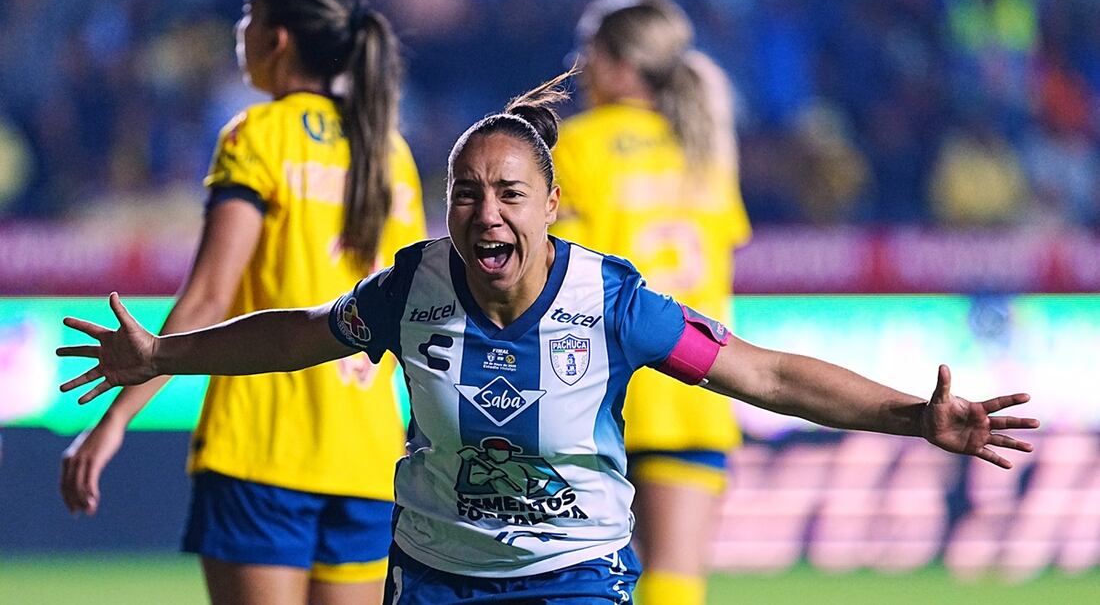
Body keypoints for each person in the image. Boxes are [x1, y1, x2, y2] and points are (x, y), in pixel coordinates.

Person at [57, 70, 1038, 605]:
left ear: (551, 208)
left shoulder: (612, 302)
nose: (484, 214)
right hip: (432, 580)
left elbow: (764, 372)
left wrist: (911, 416)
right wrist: (162, 358)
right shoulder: (413, 285)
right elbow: (300, 335)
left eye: (508, 194)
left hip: (573, 580)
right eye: (466, 195)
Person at [58, 0, 426, 605]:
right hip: (367, 458)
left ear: (278, 39)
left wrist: (116, 419)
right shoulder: (390, 152)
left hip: (262, 450)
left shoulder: (257, 135)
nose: (240, 31)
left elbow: (207, 296)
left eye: (248, 16)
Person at [550, 0, 752, 605]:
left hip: (601, 383)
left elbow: (559, 269)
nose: (580, 67)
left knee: (577, 575)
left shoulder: (579, 145)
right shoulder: (706, 150)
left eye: (589, 52)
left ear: (621, 63)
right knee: (675, 576)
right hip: (695, 382)